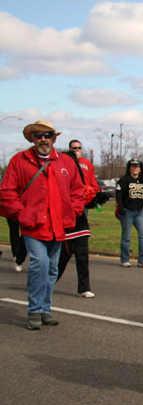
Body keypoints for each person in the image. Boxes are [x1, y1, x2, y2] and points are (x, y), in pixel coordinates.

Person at [0, 120, 84, 330]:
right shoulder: (19, 161)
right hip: (33, 225)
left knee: (52, 269)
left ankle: (46, 308)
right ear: (32, 139)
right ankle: (35, 309)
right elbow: (7, 192)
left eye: (47, 135)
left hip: (58, 225)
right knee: (40, 264)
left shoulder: (65, 162)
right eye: (38, 135)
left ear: (54, 138)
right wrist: (22, 214)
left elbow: (78, 191)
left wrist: (72, 213)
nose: (43, 139)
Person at [56, 141, 101, 298]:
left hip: (80, 221)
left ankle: (84, 287)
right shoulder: (57, 178)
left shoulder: (81, 175)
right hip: (65, 223)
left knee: (82, 255)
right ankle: (47, 282)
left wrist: (95, 199)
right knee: (63, 257)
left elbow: (88, 193)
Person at [115, 158, 143, 268]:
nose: (135, 168)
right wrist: (121, 208)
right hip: (127, 211)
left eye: (137, 166)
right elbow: (118, 194)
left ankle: (142, 260)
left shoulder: (142, 180)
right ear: (129, 168)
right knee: (126, 236)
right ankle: (125, 259)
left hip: (139, 212)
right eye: (133, 166)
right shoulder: (124, 179)